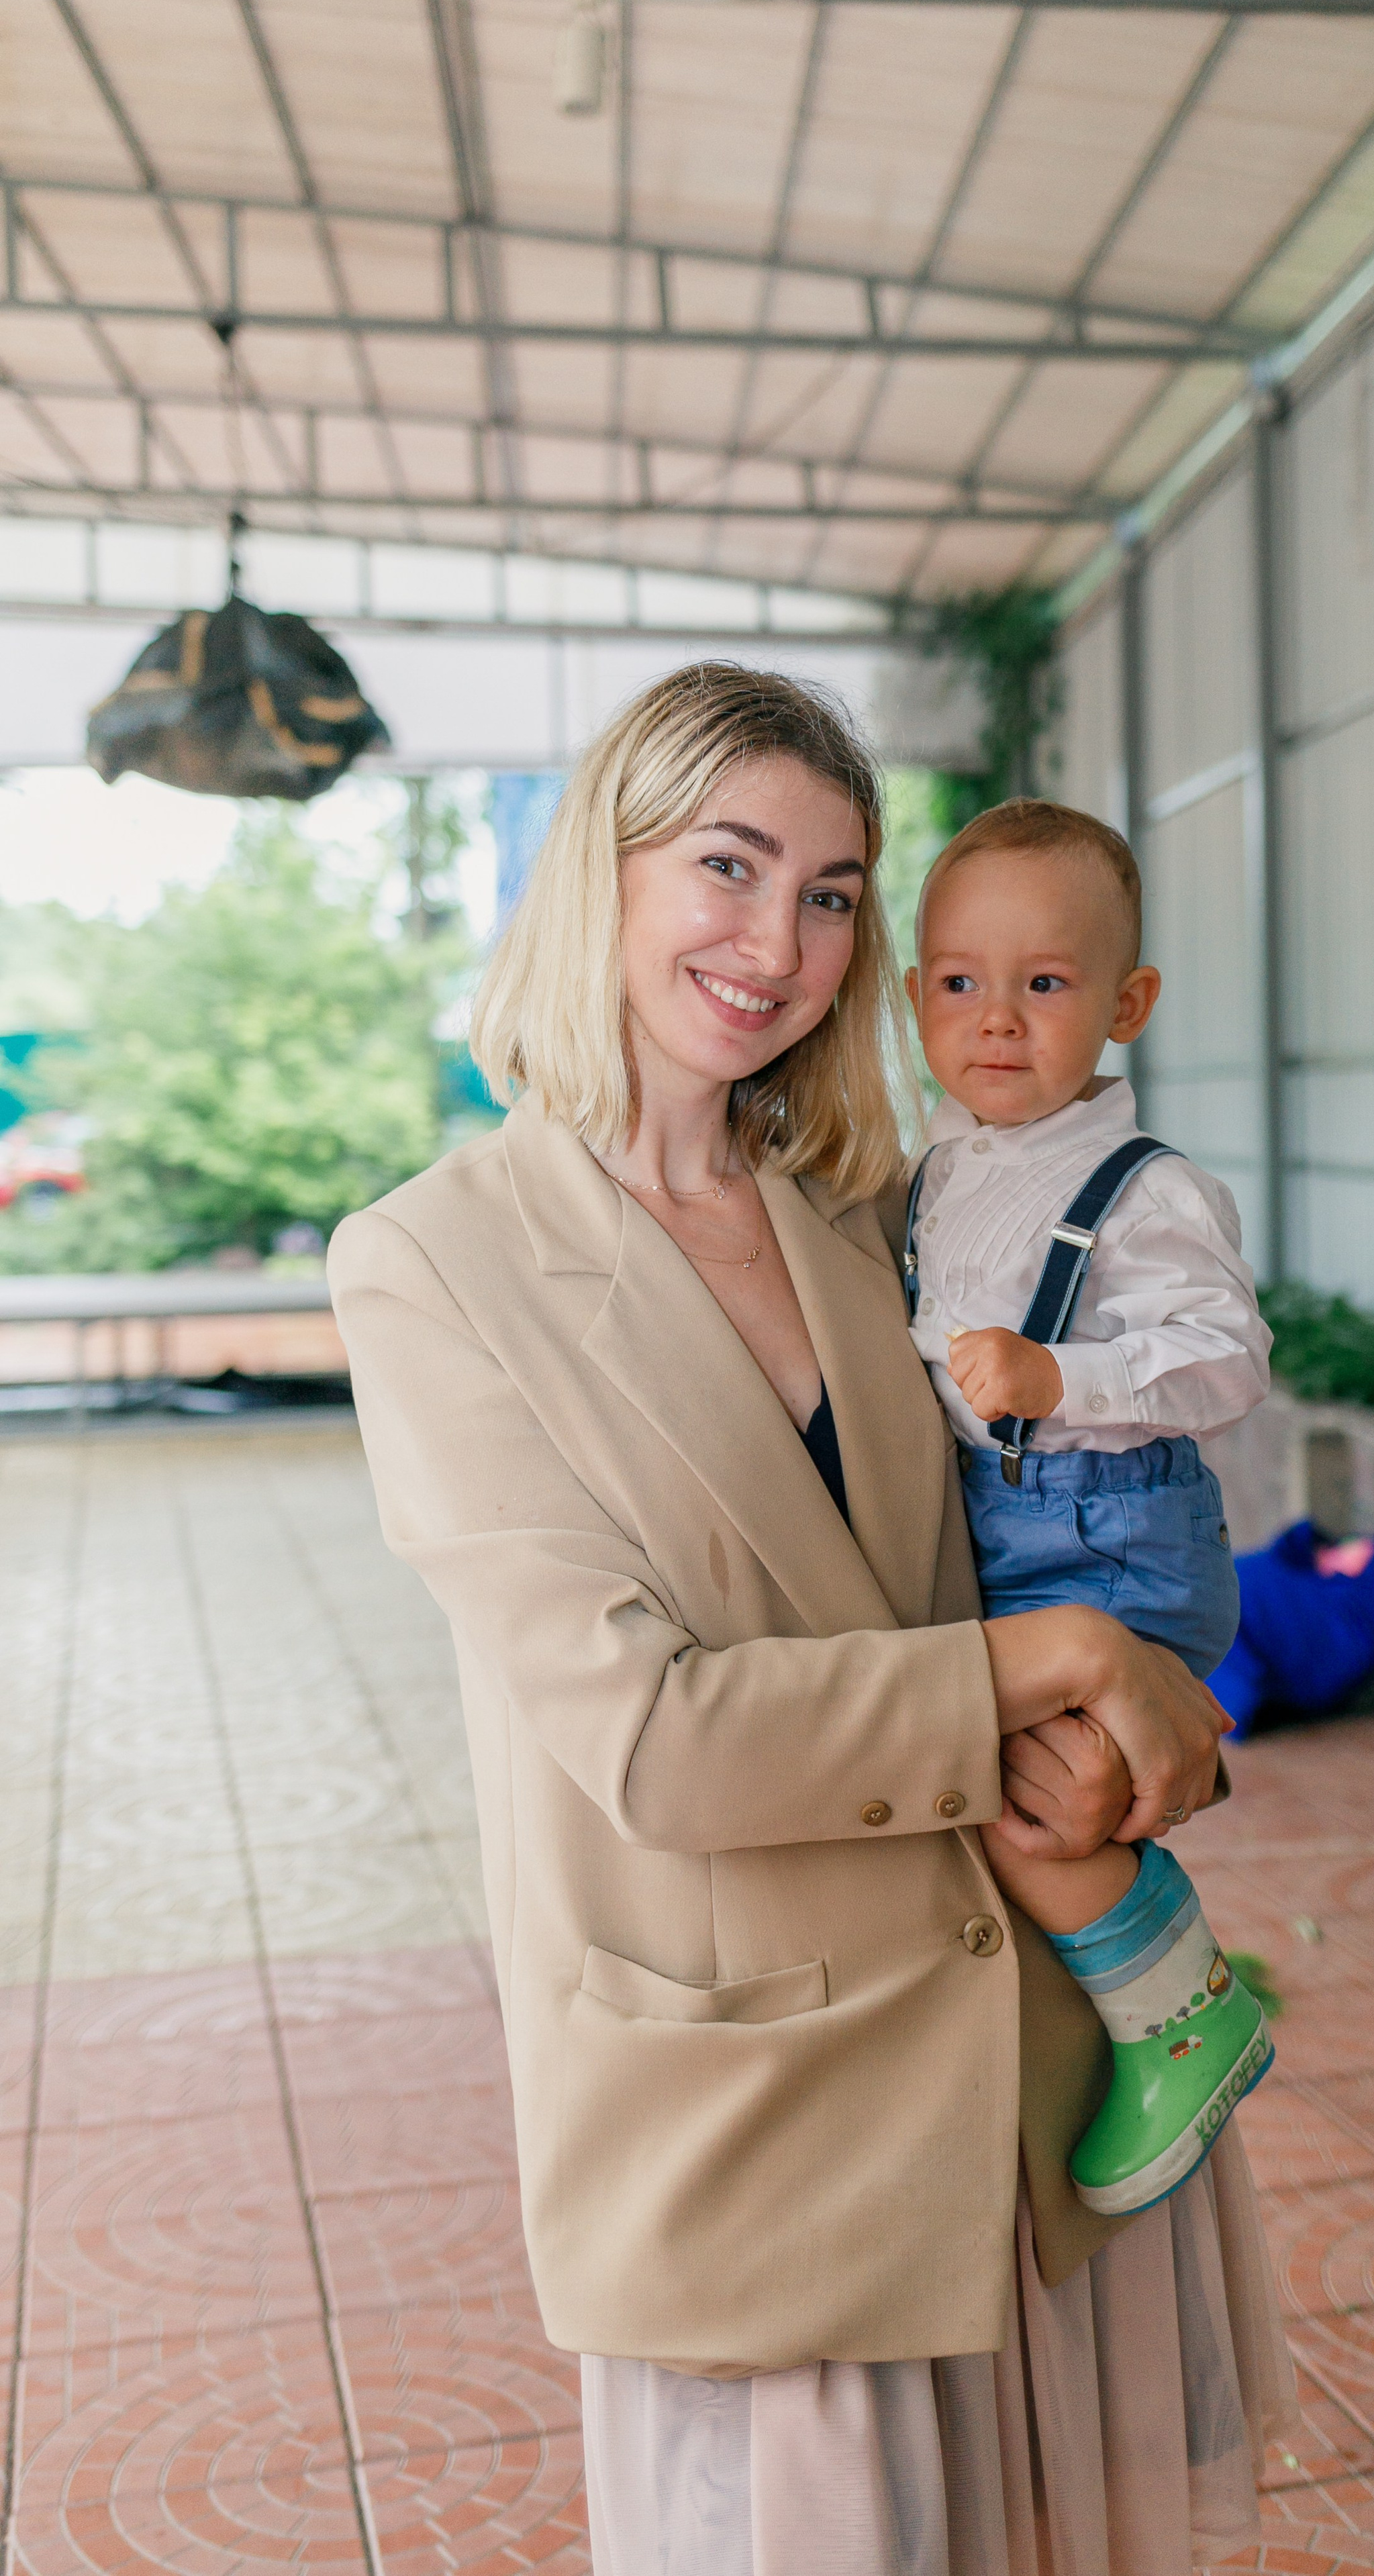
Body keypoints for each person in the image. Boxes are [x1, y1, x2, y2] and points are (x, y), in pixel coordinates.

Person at [329, 665, 1296, 2575]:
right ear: (598, 871)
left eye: (837, 891)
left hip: (1029, 2084)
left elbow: (1079, 1501)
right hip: (760, 2106)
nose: (781, 942)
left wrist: (1148, 1680)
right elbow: (661, 1739)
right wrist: (1074, 1665)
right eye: (729, 864)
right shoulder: (431, 1266)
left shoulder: (879, 1212)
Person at [905, 799, 1276, 2222]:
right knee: (966, 1771)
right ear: (914, 994)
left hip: (1107, 1530)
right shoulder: (940, 1170)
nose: (996, 1020)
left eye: (1044, 984)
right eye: (958, 983)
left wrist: (1065, 1371)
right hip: (1003, 1530)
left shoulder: (1145, 1188)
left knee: (1023, 1802)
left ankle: (1179, 2007)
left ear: (1125, 1003)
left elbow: (1226, 1361)